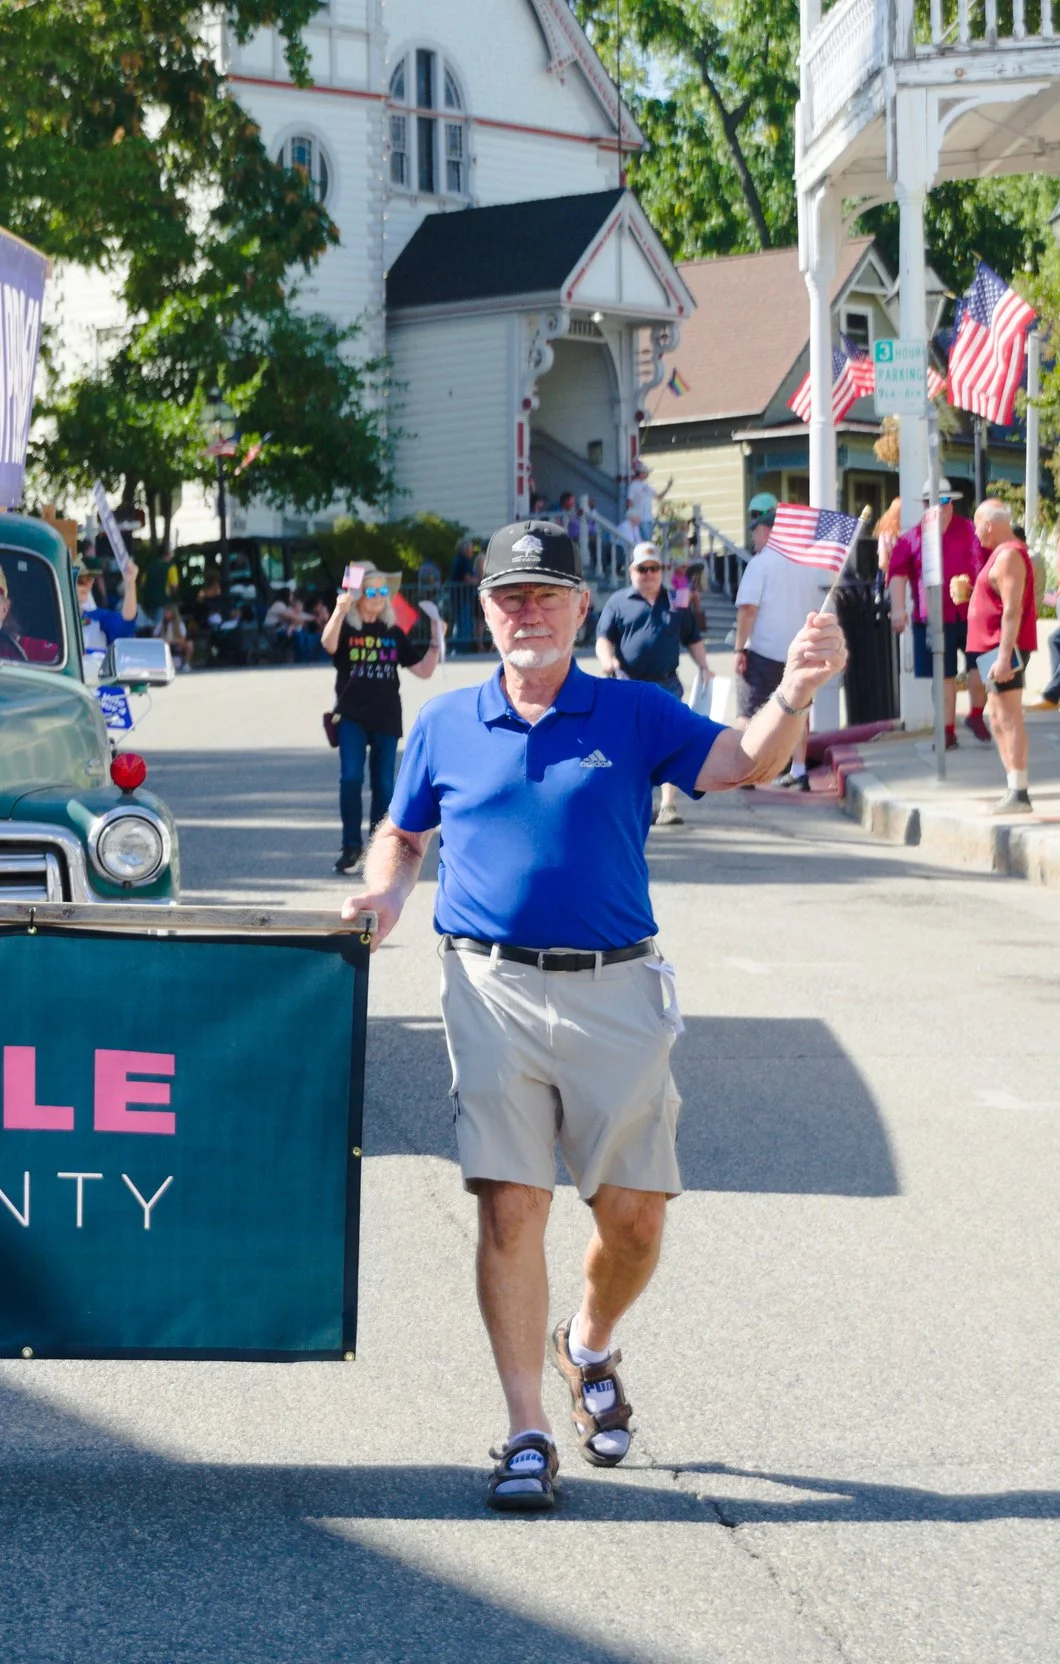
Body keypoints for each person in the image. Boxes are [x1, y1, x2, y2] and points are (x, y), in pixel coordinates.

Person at [341, 520, 845, 1512]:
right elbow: (401, 832)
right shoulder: (445, 723)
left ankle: (588, 1342)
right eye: (508, 596)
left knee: (634, 1216)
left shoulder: (633, 711)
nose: (526, 612)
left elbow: (740, 760)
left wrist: (791, 693)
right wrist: (385, 891)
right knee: (509, 1200)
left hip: (617, 989)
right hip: (488, 986)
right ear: (483, 610)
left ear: (582, 605)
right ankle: (526, 1427)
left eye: (545, 595)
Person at [323, 568, 444, 873]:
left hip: (387, 717)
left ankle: (378, 849)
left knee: (384, 785)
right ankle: (351, 846)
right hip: (351, 715)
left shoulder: (392, 632)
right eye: (371, 591)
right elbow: (328, 644)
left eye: (382, 592)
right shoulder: (348, 629)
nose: (378, 598)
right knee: (351, 779)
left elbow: (423, 671)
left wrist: (435, 639)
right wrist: (339, 610)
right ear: (359, 595)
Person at [595, 545, 711, 826]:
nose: (648, 574)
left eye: (654, 568)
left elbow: (692, 638)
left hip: (667, 684)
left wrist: (705, 667)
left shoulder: (677, 601)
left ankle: (669, 805)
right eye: (642, 569)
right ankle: (641, 805)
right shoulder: (618, 602)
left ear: (661, 571)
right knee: (633, 748)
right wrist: (607, 661)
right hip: (629, 686)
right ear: (631, 571)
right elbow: (603, 639)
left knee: (670, 744)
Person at [732, 514, 837, 788]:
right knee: (798, 709)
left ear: (767, 531)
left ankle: (746, 771)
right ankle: (799, 769)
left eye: (755, 532)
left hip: (764, 651)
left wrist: (739, 647)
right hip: (800, 650)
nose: (753, 538)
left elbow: (748, 609)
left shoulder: (760, 563)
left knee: (748, 711)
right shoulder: (810, 566)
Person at [885, 493, 987, 749]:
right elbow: (896, 574)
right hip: (932, 618)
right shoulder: (913, 538)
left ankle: (976, 715)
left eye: (946, 501)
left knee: (981, 670)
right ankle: (946, 732)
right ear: (924, 505)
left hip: (973, 614)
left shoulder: (971, 530)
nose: (941, 508)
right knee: (944, 677)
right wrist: (898, 611)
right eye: (933, 502)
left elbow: (991, 562)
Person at [966, 500, 1038, 814]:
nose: (976, 532)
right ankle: (1013, 785)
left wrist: (1005, 657)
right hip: (991, 650)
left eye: (977, 525)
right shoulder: (999, 554)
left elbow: (1013, 609)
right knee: (996, 718)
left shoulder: (1009, 555)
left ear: (989, 525)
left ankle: (1019, 792)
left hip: (1002, 649)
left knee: (1008, 717)